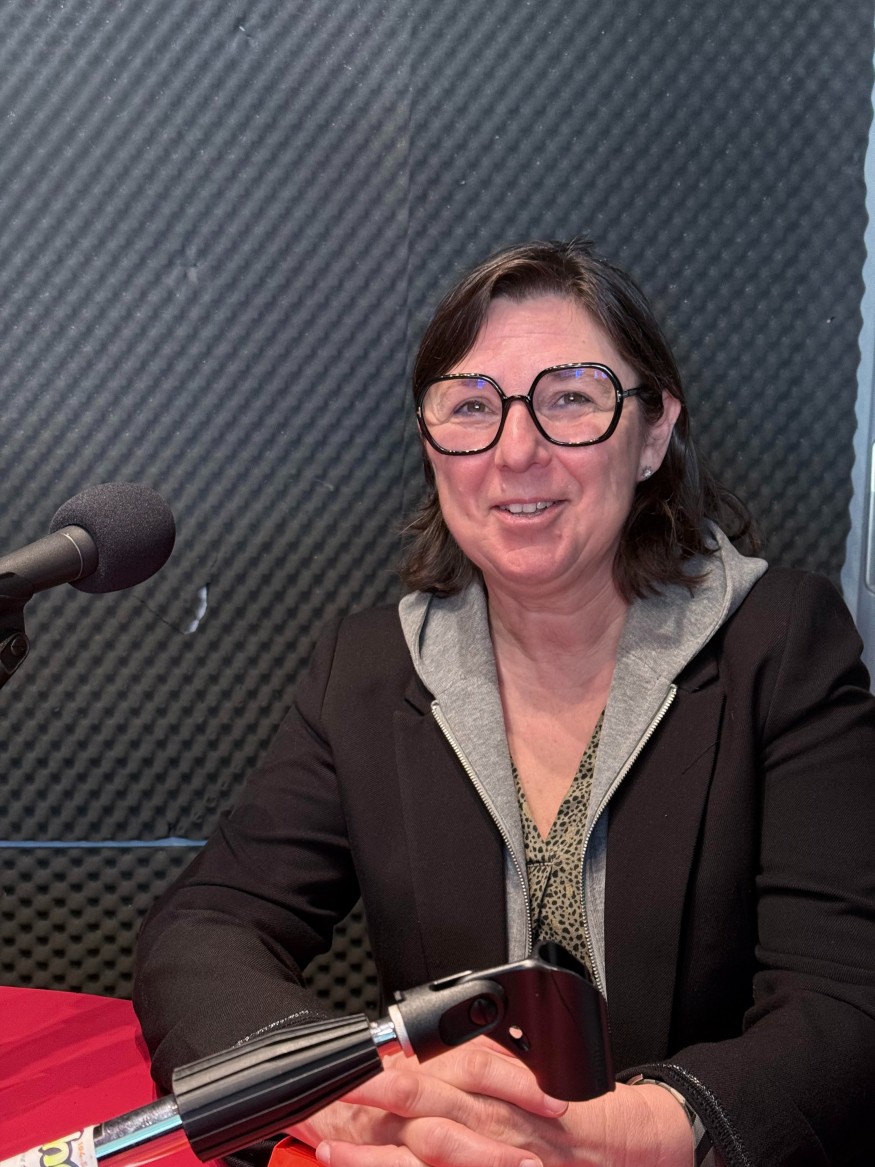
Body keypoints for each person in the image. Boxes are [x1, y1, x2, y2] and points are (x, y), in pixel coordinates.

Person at [133, 239, 875, 1167]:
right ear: (432, 444)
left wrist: (632, 1131)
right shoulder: (368, 670)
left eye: (569, 398)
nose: (516, 451)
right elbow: (202, 929)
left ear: (651, 434)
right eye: (472, 407)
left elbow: (844, 1002)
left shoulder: (781, 642)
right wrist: (340, 1097)